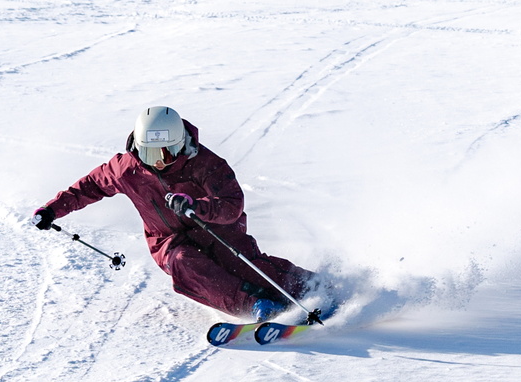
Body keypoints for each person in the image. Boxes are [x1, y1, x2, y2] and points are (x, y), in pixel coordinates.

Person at [33, 106, 320, 321]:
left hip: (216, 229)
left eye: (167, 153)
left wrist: (198, 207)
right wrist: (52, 210)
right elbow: (91, 186)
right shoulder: (127, 168)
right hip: (168, 239)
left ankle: (310, 286)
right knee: (187, 264)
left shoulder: (203, 162)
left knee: (240, 262)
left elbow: (232, 203)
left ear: (180, 143)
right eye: (150, 154)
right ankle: (256, 305)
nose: (159, 162)